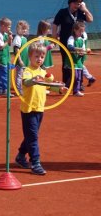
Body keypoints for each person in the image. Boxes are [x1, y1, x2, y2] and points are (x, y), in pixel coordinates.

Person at [15, 42, 68, 175]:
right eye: (36, 56)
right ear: (30, 57)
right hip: (28, 109)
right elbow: (26, 82)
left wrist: (60, 89)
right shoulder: (27, 71)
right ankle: (35, 163)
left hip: (39, 108)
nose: (39, 59)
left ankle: (21, 156)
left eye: (42, 56)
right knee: (33, 136)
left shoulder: (43, 72)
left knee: (31, 135)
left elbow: (48, 86)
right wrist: (34, 79)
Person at [52, 0, 93, 84]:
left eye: (79, 3)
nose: (77, 5)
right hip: (65, 42)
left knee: (79, 62)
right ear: (70, 2)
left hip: (79, 42)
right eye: (75, 3)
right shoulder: (62, 12)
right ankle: (67, 83)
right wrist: (54, 37)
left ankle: (78, 83)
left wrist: (85, 9)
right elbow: (55, 24)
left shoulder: (81, 13)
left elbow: (90, 19)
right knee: (66, 62)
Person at [66, 21, 86, 97]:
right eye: (80, 31)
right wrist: (78, 49)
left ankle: (75, 91)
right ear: (75, 30)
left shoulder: (82, 40)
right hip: (72, 61)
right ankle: (67, 87)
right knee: (75, 77)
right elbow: (70, 46)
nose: (81, 33)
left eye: (83, 31)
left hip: (78, 61)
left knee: (78, 77)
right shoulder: (71, 38)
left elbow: (83, 50)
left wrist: (82, 52)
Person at [0, 17, 13, 96]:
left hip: (6, 57)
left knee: (0, 74)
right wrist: (8, 40)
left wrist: (10, 38)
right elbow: (1, 47)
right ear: (2, 26)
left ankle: (0, 89)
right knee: (4, 75)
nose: (9, 29)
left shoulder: (5, 34)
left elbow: (9, 44)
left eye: (10, 27)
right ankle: (5, 90)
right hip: (1, 58)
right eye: (8, 27)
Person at [12, 20, 30, 96]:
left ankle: (23, 88)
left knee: (25, 75)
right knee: (19, 76)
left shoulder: (24, 38)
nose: (24, 30)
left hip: (25, 61)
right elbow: (17, 50)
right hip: (20, 61)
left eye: (25, 29)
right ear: (17, 29)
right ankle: (18, 90)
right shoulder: (17, 38)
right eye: (22, 29)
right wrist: (19, 60)